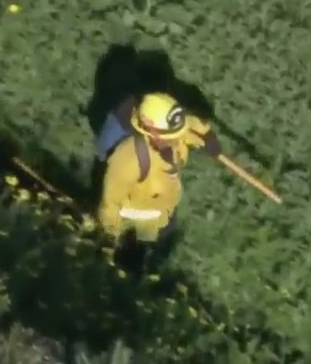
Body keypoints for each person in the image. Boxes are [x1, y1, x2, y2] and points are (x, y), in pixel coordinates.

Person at [95, 92, 222, 248]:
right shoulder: (130, 158)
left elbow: (191, 125)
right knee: (145, 242)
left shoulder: (172, 131)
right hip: (138, 210)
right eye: (171, 136)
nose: (176, 139)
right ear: (151, 131)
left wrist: (207, 136)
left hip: (164, 203)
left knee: (166, 227)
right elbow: (111, 202)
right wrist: (110, 234)